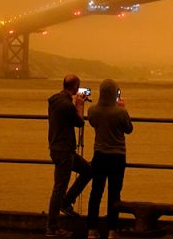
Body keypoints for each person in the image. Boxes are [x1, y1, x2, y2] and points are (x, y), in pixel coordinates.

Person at [46, 74, 93, 238]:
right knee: (59, 188)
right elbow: (79, 122)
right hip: (64, 151)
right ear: (75, 87)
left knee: (88, 170)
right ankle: (52, 227)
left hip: (58, 148)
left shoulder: (55, 101)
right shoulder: (66, 105)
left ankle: (67, 202)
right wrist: (79, 105)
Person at [86, 78, 133, 239]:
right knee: (114, 194)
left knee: (96, 193)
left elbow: (92, 123)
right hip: (117, 156)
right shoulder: (120, 112)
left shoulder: (93, 110)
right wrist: (122, 108)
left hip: (99, 155)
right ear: (115, 94)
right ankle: (113, 229)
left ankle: (91, 229)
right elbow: (129, 129)